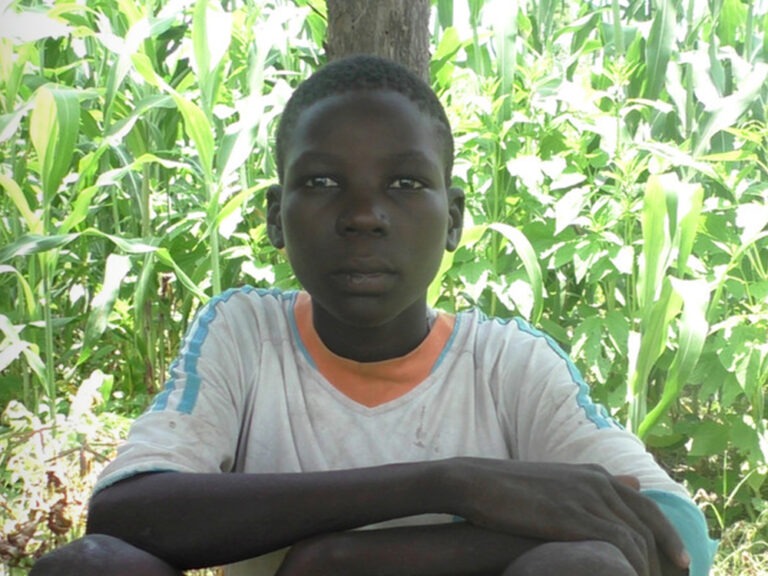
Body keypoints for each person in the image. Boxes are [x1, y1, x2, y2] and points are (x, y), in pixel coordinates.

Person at [31, 54, 716, 576]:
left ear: (453, 221)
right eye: (323, 182)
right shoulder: (245, 335)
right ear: (276, 216)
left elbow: (677, 532)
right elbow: (126, 512)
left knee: (584, 568)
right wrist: (453, 483)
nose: (363, 216)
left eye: (406, 184)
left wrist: (342, 560)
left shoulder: (507, 365)